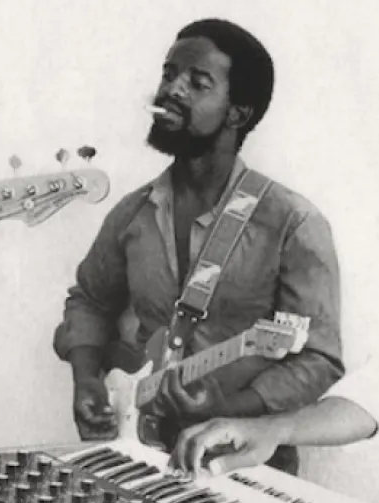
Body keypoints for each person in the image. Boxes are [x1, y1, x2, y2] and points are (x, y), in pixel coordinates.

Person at [53, 18, 355, 475]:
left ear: (237, 113)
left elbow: (318, 358)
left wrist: (231, 408)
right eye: (169, 74)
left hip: (240, 468)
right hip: (137, 458)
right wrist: (85, 379)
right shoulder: (132, 213)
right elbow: (90, 301)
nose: (171, 89)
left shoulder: (293, 223)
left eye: (197, 82)